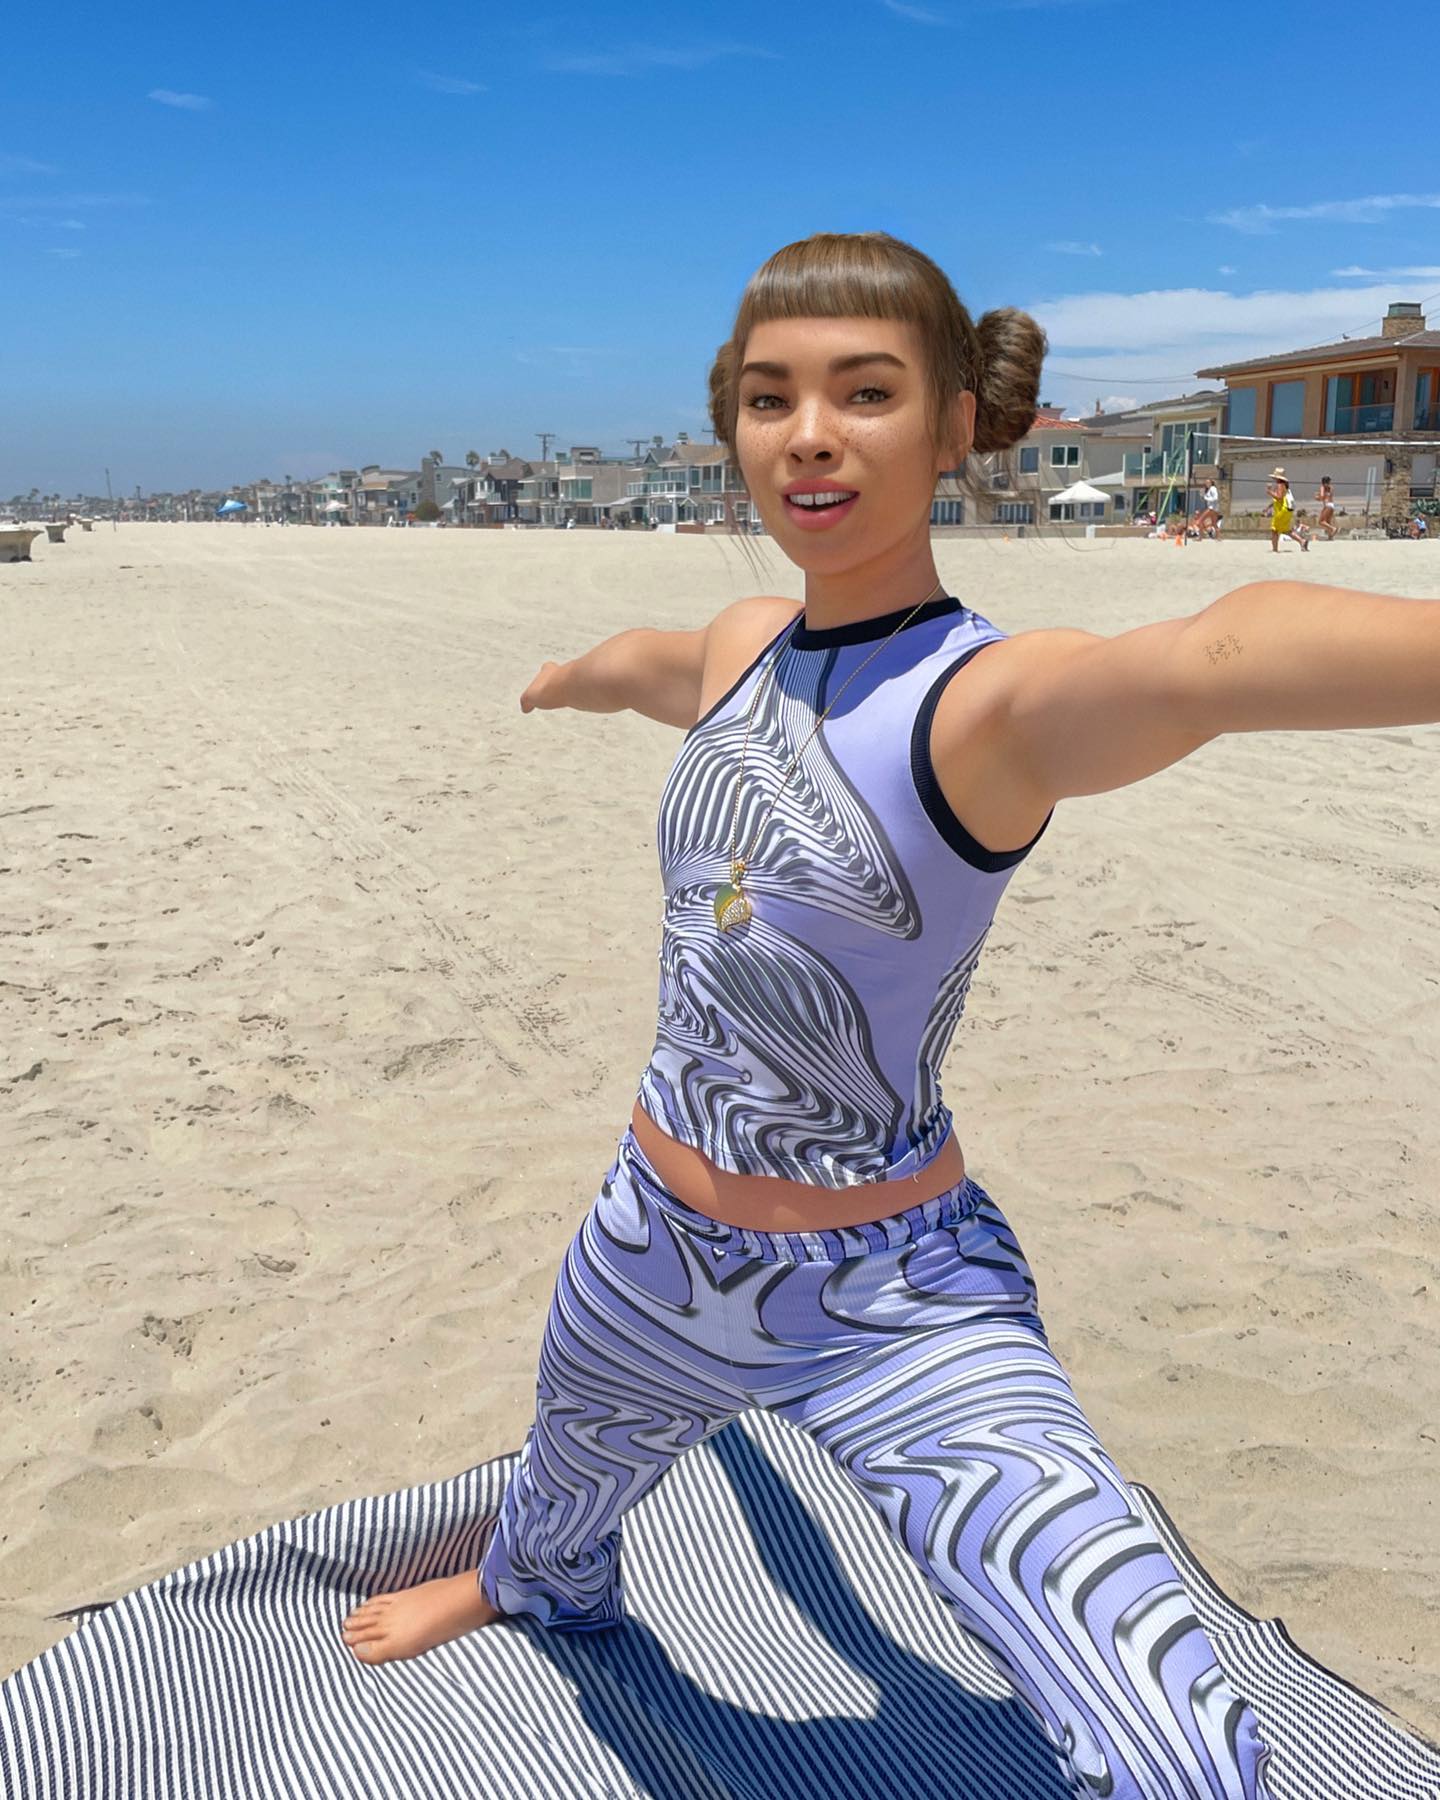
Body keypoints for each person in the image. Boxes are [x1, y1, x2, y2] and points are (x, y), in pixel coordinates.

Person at [339, 229, 1436, 1795]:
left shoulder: (984, 702)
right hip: (646, 1244)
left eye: (866, 393)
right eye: (771, 396)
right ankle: (530, 1581)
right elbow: (662, 662)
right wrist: (569, 674)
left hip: (887, 1292)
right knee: (564, 1492)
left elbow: (1213, 654)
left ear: (957, 427)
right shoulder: (742, 650)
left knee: (1171, 1729)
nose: (810, 436)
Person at [1266, 468, 1308, 552]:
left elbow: (1279, 497)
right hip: (1285, 510)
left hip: (1282, 510)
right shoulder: (1284, 484)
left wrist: (1269, 492)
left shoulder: (1280, 485)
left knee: (1274, 529)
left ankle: (1275, 549)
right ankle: (1302, 541)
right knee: (1286, 530)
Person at [1315, 476, 1338, 540]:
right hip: (1332, 505)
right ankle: (1330, 536)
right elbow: (1329, 495)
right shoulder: (1331, 488)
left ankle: (1333, 529)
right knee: (1328, 522)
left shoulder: (1322, 487)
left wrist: (1317, 497)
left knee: (1321, 521)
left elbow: (1322, 497)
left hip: (1327, 505)